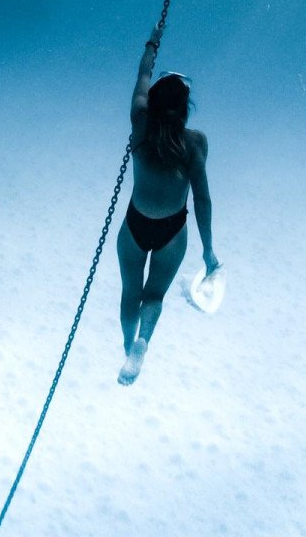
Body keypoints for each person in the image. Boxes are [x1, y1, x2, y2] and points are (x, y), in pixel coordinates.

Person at [116, 25, 219, 385]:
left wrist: (152, 41)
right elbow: (203, 200)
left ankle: (129, 344)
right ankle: (144, 340)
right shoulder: (194, 143)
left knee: (131, 291)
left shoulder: (140, 121)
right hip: (173, 230)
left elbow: (143, 74)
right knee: (154, 295)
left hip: (136, 222)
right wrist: (208, 251)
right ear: (185, 110)